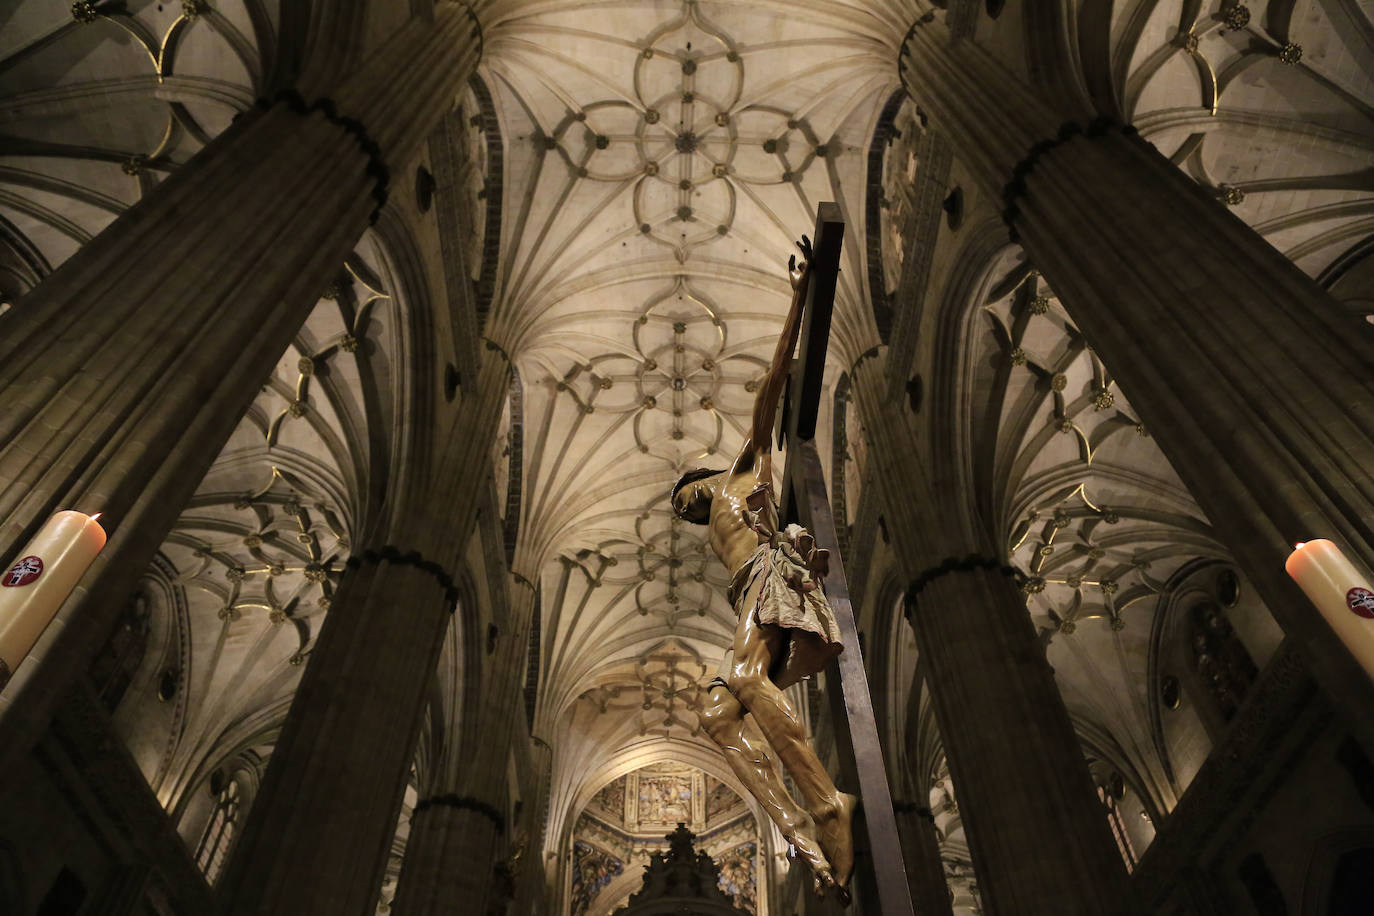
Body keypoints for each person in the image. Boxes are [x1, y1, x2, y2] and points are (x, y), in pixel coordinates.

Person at [671, 237, 855, 900]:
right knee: (717, 715)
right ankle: (802, 835)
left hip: (771, 579)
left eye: (683, 497)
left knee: (748, 678)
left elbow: (776, 384)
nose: (685, 509)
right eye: (683, 509)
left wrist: (801, 296)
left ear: (700, 477)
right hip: (747, 594)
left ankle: (829, 802)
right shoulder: (715, 516)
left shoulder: (744, 474)